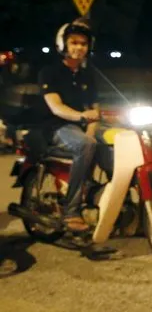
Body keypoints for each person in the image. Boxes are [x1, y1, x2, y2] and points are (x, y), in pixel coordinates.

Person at [38, 19, 112, 232]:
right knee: (85, 145)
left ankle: (112, 201)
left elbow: (95, 110)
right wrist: (82, 117)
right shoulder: (49, 72)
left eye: (83, 43)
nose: (79, 47)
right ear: (63, 44)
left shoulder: (87, 74)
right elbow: (56, 107)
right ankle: (71, 210)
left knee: (118, 143)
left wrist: (91, 128)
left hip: (80, 128)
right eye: (74, 42)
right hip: (55, 127)